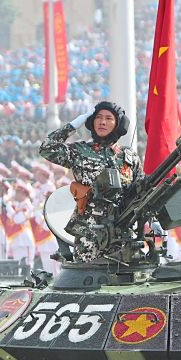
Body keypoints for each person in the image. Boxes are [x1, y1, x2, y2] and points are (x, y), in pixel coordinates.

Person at [39, 101, 142, 261]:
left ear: (118, 125)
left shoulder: (128, 157)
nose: (102, 122)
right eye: (98, 117)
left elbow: (141, 191)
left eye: (109, 118)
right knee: (88, 279)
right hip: (89, 232)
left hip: (121, 232)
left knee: (121, 281)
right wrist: (73, 125)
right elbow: (46, 148)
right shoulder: (80, 151)